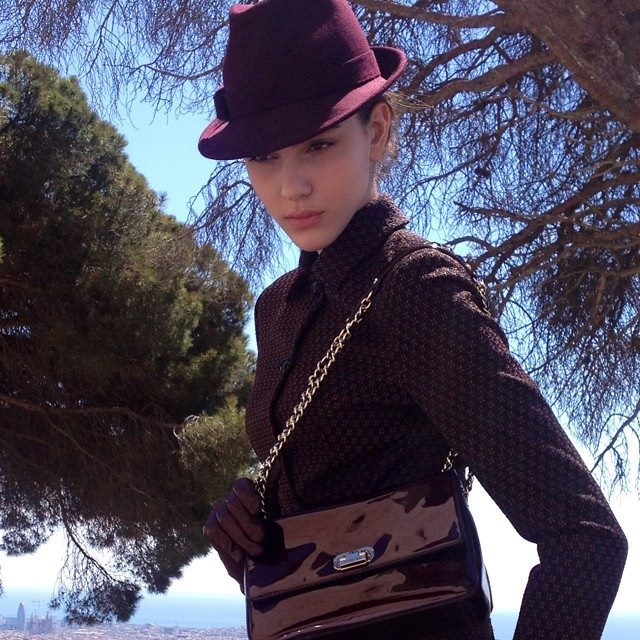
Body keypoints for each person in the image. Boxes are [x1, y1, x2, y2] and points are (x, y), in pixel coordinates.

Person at [198, 0, 628, 638]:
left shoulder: (415, 288)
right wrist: (254, 526)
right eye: (264, 157)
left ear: (376, 130)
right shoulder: (278, 307)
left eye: (319, 144)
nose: (291, 187)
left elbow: (585, 537)